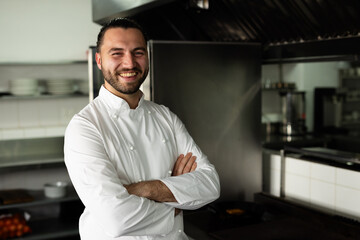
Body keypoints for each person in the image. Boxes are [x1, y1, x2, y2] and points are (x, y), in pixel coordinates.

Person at [64, 18, 220, 240]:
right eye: (116, 53)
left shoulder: (165, 116)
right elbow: (116, 218)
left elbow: (210, 184)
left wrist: (146, 189)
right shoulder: (85, 127)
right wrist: (177, 201)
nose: (129, 63)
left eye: (138, 52)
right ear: (99, 60)